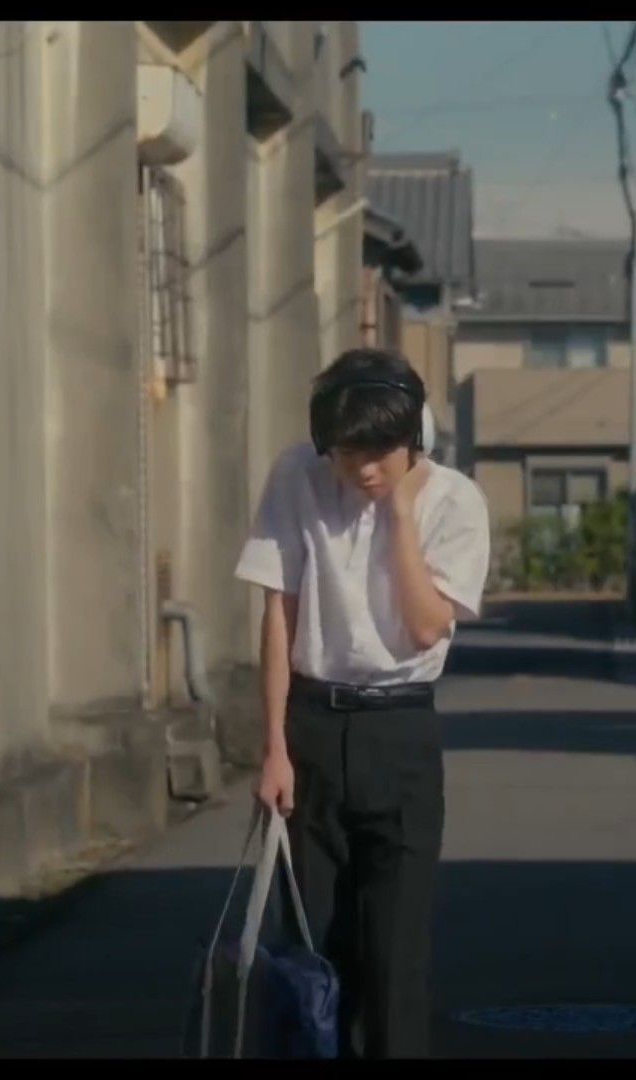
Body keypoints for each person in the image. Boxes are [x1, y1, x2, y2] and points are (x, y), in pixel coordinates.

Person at [234, 346, 491, 1059]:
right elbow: (279, 612)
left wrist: (400, 516)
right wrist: (274, 747)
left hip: (400, 728)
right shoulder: (298, 475)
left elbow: (427, 626)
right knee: (314, 949)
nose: (365, 470)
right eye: (348, 454)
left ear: (415, 438)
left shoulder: (455, 502)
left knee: (395, 955)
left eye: (381, 453)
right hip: (312, 724)